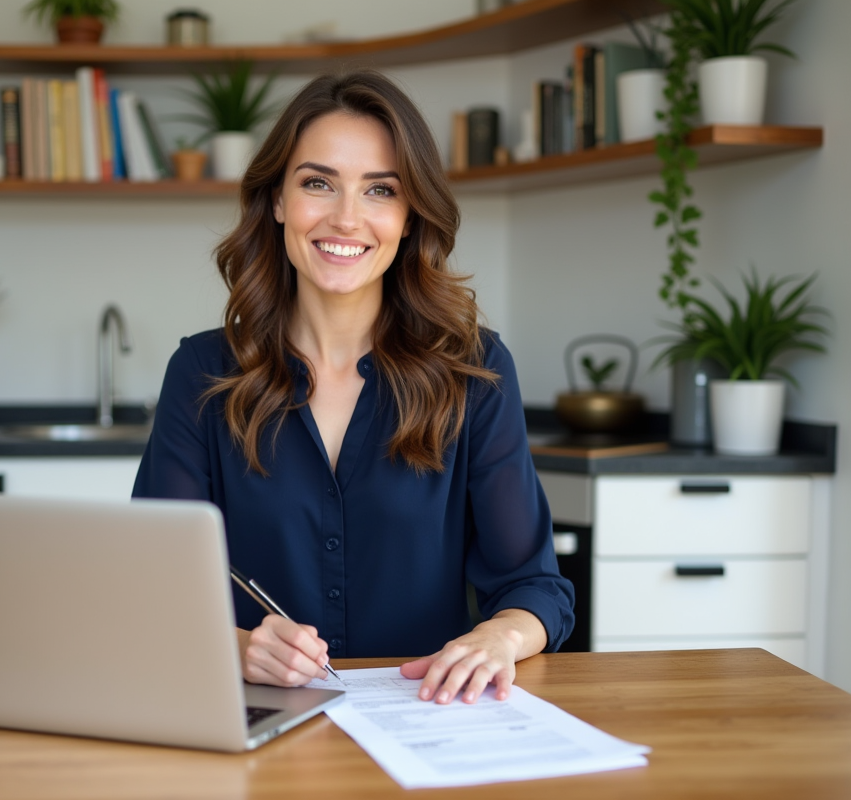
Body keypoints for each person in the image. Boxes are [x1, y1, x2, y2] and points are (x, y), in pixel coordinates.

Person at [133, 70, 573, 706]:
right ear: (279, 200)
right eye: (318, 183)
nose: (346, 217)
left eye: (380, 190)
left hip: (429, 720)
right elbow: (150, 590)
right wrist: (240, 647)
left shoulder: (474, 370)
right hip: (252, 722)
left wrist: (500, 638)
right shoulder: (203, 372)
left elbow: (536, 587)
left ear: (409, 213)